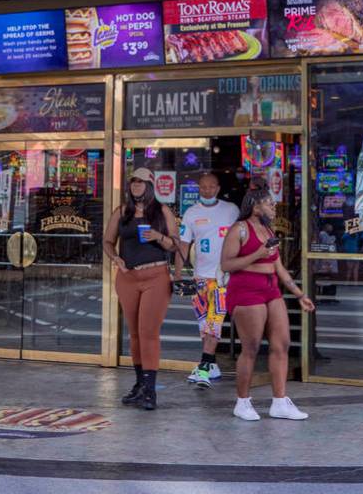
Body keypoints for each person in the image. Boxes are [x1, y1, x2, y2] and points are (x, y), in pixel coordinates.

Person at [220, 178, 314, 421]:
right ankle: (242, 402)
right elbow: (227, 264)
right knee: (250, 348)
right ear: (255, 206)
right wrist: (257, 253)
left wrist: (300, 294)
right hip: (246, 290)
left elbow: (279, 267)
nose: (274, 208)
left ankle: (280, 401)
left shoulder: (269, 230)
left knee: (281, 344)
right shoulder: (239, 229)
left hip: (271, 289)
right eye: (269, 204)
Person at [103, 168, 179, 411]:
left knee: (148, 332)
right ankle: (139, 385)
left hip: (156, 275)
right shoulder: (122, 211)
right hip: (128, 277)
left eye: (141, 182)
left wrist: (157, 236)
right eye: (133, 182)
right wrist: (116, 258)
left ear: (150, 185)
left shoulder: (162, 210)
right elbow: (107, 241)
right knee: (134, 333)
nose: (137, 185)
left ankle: (150, 390)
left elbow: (175, 244)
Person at [177, 172, 239, 388]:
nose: (207, 190)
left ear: (218, 188)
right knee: (204, 325)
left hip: (222, 280)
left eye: (211, 187)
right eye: (203, 187)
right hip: (199, 279)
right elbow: (183, 245)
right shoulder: (191, 213)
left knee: (214, 323)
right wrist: (177, 274)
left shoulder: (231, 210)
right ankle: (212, 365)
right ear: (198, 189)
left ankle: (203, 367)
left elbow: (241, 238)